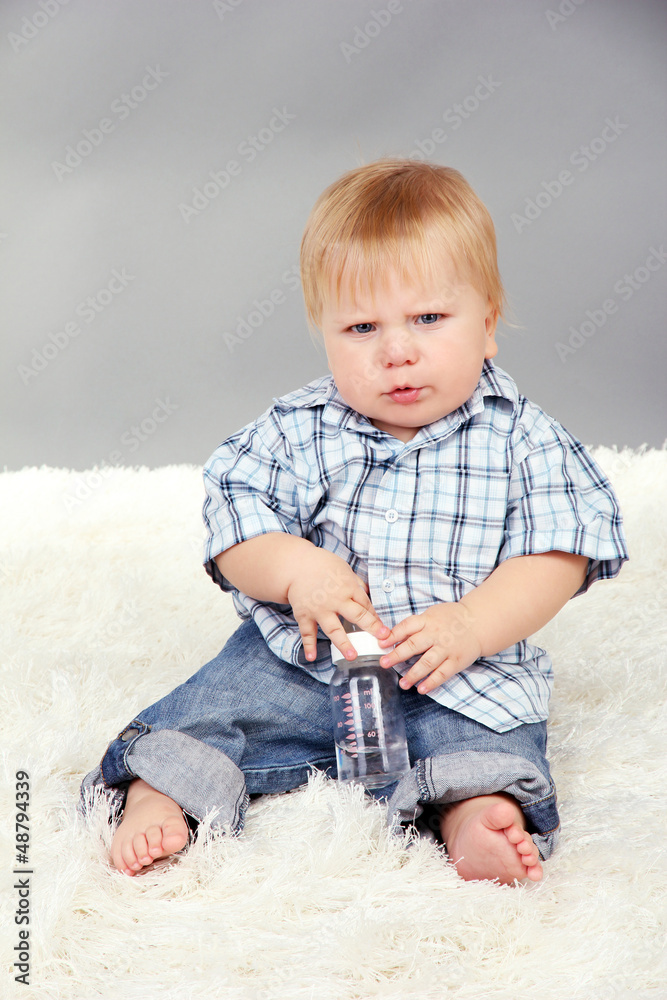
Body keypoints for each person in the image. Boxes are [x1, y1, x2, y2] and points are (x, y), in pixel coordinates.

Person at [81, 159, 628, 884]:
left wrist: (472, 624)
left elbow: (558, 554)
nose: (395, 350)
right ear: (324, 333)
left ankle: (472, 815)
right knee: (211, 709)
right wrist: (295, 568)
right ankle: (163, 794)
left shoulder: (523, 439)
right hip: (304, 660)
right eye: (361, 326)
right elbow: (235, 517)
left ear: (488, 325)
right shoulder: (303, 427)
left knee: (486, 746)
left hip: (458, 669)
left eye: (429, 319)